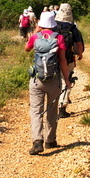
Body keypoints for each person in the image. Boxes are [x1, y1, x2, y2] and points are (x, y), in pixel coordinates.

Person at [25, 10, 70, 155]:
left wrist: (35, 32)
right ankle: (50, 140)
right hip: (54, 79)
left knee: (36, 111)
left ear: (41, 23)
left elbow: (27, 49)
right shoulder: (59, 38)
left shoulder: (35, 37)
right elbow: (62, 60)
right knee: (52, 110)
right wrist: (67, 80)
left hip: (37, 80)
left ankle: (37, 141)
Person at [54, 3, 84, 118]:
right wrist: (79, 54)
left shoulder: (53, 25)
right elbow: (79, 44)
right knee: (67, 80)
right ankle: (62, 108)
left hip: (53, 58)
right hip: (68, 58)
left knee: (54, 81)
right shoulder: (72, 28)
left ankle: (52, 106)